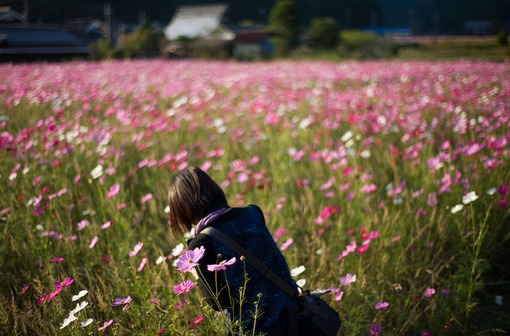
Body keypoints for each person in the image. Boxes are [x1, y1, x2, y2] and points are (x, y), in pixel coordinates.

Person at [168, 166, 299, 335]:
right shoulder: (252, 212)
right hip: (292, 314)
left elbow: (218, 302)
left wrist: (196, 273)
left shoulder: (201, 244)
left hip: (255, 328)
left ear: (184, 209)